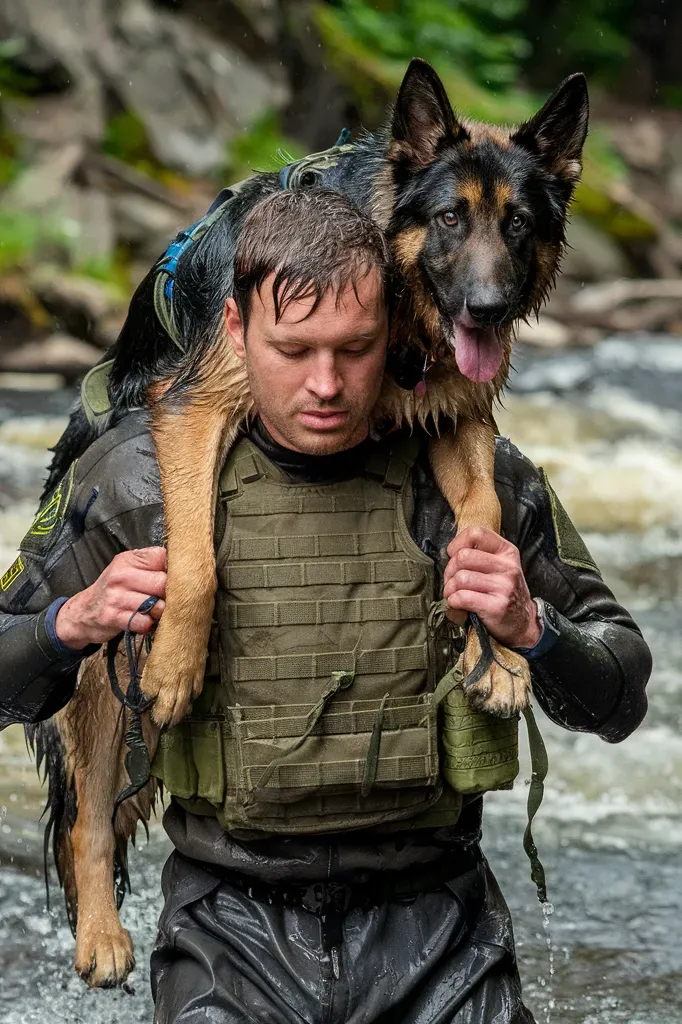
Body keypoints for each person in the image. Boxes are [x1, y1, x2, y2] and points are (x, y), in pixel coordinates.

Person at [0, 189, 651, 1024]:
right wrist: (67, 626)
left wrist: (539, 632)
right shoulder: (135, 480)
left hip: (443, 940)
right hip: (226, 943)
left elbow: (623, 696)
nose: (327, 385)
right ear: (234, 331)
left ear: (400, 330)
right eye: (293, 349)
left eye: (356, 349)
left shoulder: (478, 477)